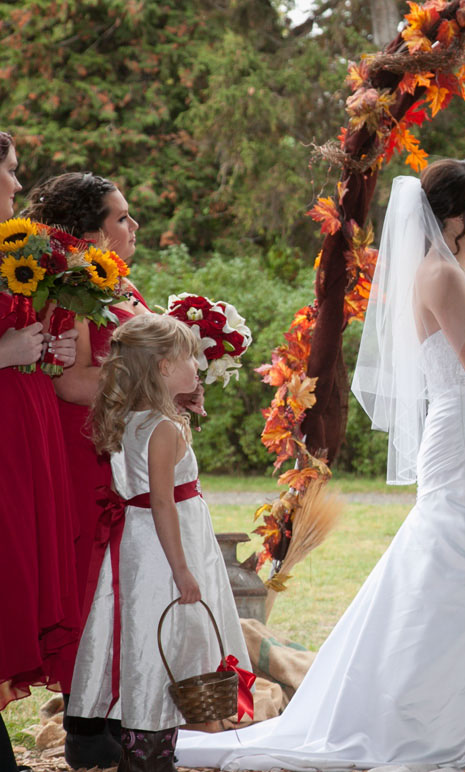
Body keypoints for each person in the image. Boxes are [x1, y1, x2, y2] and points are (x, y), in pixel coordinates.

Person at [176, 160, 465, 772]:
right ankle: (439, 716)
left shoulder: (462, 272)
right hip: (464, 444)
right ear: (453, 217)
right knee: (455, 570)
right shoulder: (441, 276)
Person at [67, 313, 249, 772]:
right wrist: (183, 570)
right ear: (165, 367)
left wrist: (185, 409)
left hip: (139, 544)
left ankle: (143, 747)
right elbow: (164, 503)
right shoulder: (164, 428)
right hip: (165, 548)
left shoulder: (138, 417)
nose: (197, 364)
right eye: (189, 356)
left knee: (146, 636)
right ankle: (150, 755)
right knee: (165, 638)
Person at [24, 172, 156, 769]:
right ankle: (84, 719)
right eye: (122, 217)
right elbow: (71, 380)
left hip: (128, 449)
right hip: (87, 453)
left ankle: (115, 706)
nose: (133, 226)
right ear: (89, 229)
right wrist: (152, 387)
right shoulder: (70, 287)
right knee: (88, 579)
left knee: (123, 581)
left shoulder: (118, 284)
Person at [0, 130, 80, 772]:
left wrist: (41, 353)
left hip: (23, 432)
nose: (19, 187)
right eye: (12, 171)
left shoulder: (12, 252)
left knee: (16, 571)